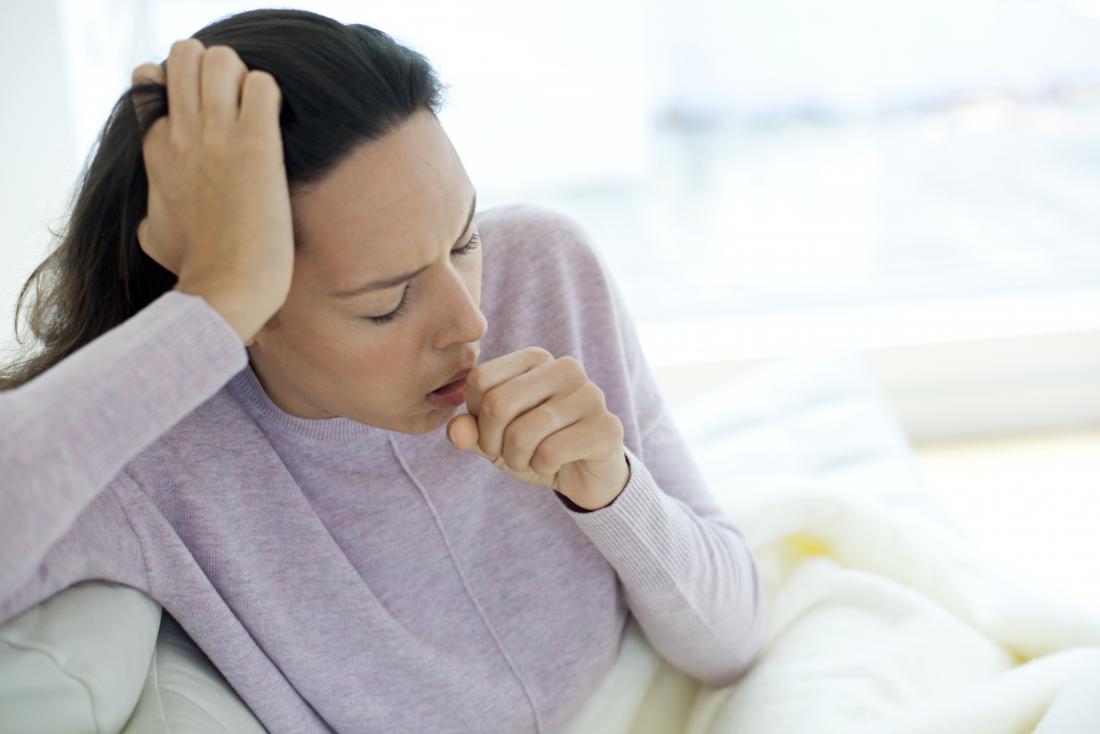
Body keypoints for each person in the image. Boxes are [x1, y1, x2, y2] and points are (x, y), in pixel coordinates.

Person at [0, 8, 765, 733]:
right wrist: (214, 300)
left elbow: (733, 639)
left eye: (464, 241)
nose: (472, 322)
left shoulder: (544, 270)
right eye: (387, 302)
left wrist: (613, 488)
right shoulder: (152, 456)